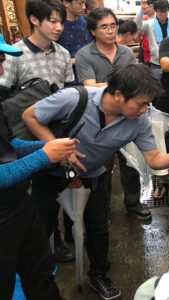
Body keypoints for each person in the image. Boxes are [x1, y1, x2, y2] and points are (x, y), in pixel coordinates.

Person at [23, 64, 169, 300]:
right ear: (119, 94)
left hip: (92, 175)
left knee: (98, 228)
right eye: (141, 103)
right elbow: (29, 115)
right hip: (50, 173)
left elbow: (153, 158)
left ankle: (99, 274)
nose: (144, 110)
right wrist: (57, 149)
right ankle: (39, 280)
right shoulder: (74, 99)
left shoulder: (139, 122)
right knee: (42, 226)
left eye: (147, 104)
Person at [0, 34, 77, 300]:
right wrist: (44, 156)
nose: (1, 70)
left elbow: (10, 146)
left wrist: (49, 147)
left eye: (2, 61)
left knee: (40, 272)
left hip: (20, 205)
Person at [76, 8, 152, 221]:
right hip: (100, 119)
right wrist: (123, 85)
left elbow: (136, 83)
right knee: (102, 166)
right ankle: (103, 207)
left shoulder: (126, 53)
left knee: (131, 165)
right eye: (104, 27)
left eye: (113, 26)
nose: (111, 31)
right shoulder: (84, 55)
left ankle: (133, 203)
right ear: (92, 31)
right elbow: (90, 87)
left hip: (127, 117)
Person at [0, 0, 74, 98]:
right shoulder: (14, 53)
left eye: (61, 23)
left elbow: (70, 89)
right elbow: (3, 94)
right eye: (53, 21)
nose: (59, 28)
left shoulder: (64, 53)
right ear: (34, 20)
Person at [135, 0, 169, 79]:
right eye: (160, 11)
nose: (163, 14)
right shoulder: (149, 24)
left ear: (168, 10)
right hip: (155, 63)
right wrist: (142, 9)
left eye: (165, 11)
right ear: (156, 10)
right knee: (156, 89)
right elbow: (137, 25)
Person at [57, 0, 92, 84]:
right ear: (66, 3)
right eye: (80, 3)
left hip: (89, 74)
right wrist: (74, 60)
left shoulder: (88, 22)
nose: (84, 7)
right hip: (66, 78)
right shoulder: (57, 26)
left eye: (84, 3)